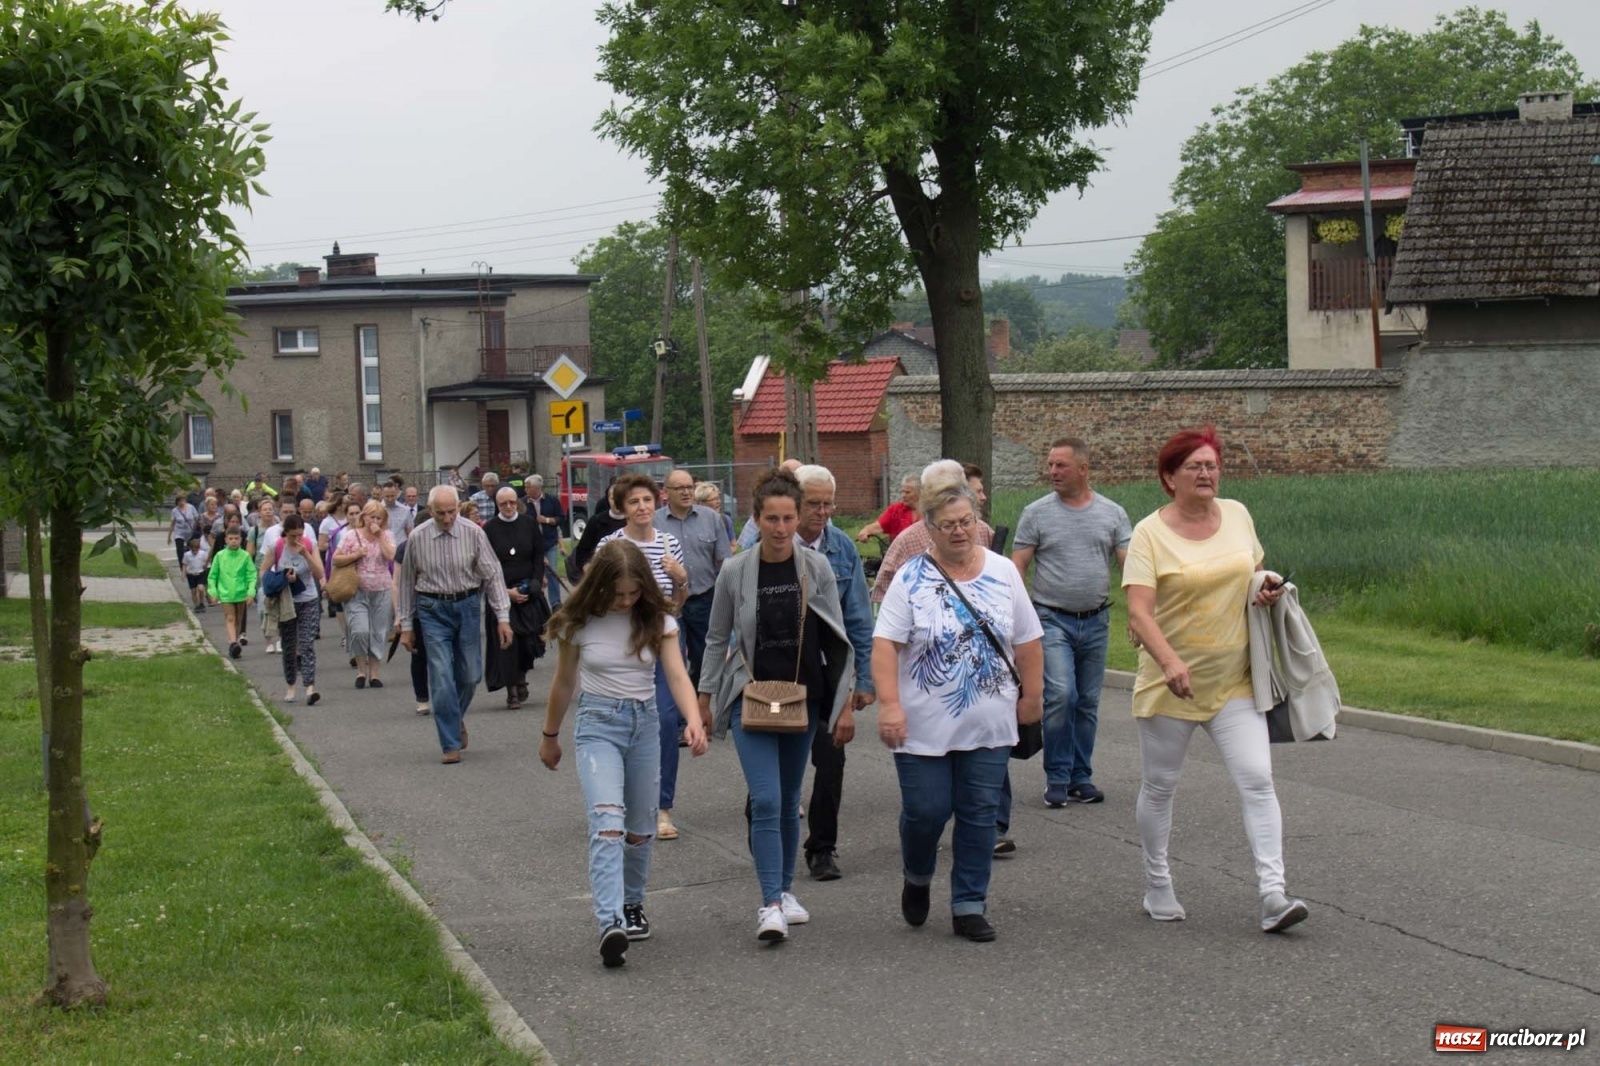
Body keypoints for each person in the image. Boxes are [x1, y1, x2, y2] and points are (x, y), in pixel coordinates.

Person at [1123, 425, 1308, 934]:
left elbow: (1254, 572)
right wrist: (1169, 662)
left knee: (1258, 780)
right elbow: (1138, 612)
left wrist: (1265, 586)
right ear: (1170, 478)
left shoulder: (1238, 514)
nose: (1206, 474)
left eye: (1212, 465)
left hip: (1235, 681)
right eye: (1195, 467)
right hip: (1171, 684)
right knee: (1160, 787)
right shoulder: (1148, 534)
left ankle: (1273, 895)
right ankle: (1157, 883)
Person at [873, 469, 1043, 942]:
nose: (959, 531)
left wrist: (1033, 697)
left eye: (966, 521)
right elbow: (885, 645)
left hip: (989, 720)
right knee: (927, 811)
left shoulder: (1003, 571)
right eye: (948, 524)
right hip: (922, 725)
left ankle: (969, 903)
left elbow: (1028, 639)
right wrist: (889, 705)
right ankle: (917, 874)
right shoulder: (911, 578)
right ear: (928, 526)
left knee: (979, 811)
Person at [697, 468, 855, 943]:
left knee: (787, 801)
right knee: (765, 799)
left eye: (789, 518)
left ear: (798, 517)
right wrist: (704, 699)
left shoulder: (817, 568)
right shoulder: (735, 570)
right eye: (772, 518)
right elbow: (716, 638)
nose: (781, 528)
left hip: (803, 697)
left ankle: (785, 892)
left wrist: (845, 702)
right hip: (751, 696)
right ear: (757, 519)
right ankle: (769, 903)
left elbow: (839, 638)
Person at [538, 540, 709, 968]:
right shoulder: (579, 622)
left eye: (634, 592)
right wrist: (550, 735)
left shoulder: (657, 620)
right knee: (608, 823)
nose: (626, 600)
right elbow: (563, 683)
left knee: (639, 829)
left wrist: (692, 719)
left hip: (645, 726)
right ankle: (610, 922)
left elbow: (677, 675)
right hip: (598, 726)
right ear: (600, 586)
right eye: (618, 594)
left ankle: (632, 904)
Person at [1011, 437, 1131, 809]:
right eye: (1050, 464)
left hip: (1096, 620)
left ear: (1083, 468)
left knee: (1088, 701)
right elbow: (1017, 566)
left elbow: (1130, 566)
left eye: (1060, 465)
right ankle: (1058, 776)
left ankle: (1081, 776)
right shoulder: (1036, 513)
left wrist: (1140, 612)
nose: (1053, 471)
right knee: (1062, 694)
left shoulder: (1112, 513)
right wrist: (1018, 617)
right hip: (1051, 620)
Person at [790, 464, 874, 882]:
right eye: (814, 504)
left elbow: (858, 615)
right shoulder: (766, 542)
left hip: (828, 674)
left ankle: (822, 848)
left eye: (829, 504)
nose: (822, 512)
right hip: (780, 675)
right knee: (777, 766)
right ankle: (770, 834)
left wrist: (865, 679)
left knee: (831, 760)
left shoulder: (841, 547)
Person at [599, 473, 691, 840]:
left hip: (662, 642)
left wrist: (681, 578)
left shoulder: (669, 543)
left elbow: (679, 603)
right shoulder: (610, 545)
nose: (642, 507)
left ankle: (662, 808)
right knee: (624, 724)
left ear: (657, 503)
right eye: (634, 502)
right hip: (622, 648)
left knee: (666, 721)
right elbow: (599, 597)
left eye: (647, 500)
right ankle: (623, 801)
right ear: (622, 508)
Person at [396, 486, 514, 764]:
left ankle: (454, 715)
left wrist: (503, 618)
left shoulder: (474, 533)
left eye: (452, 512)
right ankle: (450, 743)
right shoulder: (418, 537)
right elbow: (407, 582)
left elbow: (493, 575)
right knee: (440, 676)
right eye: (441, 513)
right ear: (430, 510)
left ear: (459, 507)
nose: (448, 518)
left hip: (467, 606)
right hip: (432, 609)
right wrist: (406, 625)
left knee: (470, 675)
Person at [871, 467, 994, 605]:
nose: (959, 531)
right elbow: (885, 595)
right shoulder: (907, 540)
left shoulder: (983, 530)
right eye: (947, 525)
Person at [484, 486, 549, 709]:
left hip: (528, 591)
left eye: (512, 502)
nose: (509, 506)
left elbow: (538, 556)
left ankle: (521, 678)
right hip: (501, 593)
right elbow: (486, 565)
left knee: (526, 643)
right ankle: (511, 690)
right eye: (503, 503)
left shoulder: (529, 524)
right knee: (507, 644)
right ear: (497, 505)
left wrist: (534, 584)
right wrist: (505, 592)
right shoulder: (489, 529)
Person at [334, 500, 396, 690]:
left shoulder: (387, 535)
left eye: (379, 518)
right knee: (360, 630)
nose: (374, 521)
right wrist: (355, 555)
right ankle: (361, 670)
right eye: (371, 517)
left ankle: (374, 674)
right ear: (364, 517)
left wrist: (380, 536)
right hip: (357, 591)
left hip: (382, 589)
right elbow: (336, 559)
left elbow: (391, 556)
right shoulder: (351, 535)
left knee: (378, 632)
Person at [266, 513, 326, 705]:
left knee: (307, 643)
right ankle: (290, 685)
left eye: (300, 534)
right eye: (293, 535)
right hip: (286, 602)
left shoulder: (308, 544)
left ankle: (310, 687)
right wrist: (283, 578)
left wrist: (306, 554)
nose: (297, 539)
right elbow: (263, 573)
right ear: (285, 533)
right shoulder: (277, 547)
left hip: (308, 599)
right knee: (289, 645)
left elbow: (319, 573)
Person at [208, 526, 256, 659]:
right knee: (230, 617)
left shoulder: (245, 556)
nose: (234, 541)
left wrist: (251, 592)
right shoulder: (220, 556)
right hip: (225, 593)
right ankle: (233, 642)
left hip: (241, 593)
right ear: (226, 540)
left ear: (241, 540)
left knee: (238, 620)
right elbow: (212, 576)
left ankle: (234, 644)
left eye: (236, 538)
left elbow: (251, 575)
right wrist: (213, 592)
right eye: (231, 539)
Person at [525, 474, 567, 610]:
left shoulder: (552, 500)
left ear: (537, 488)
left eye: (528, 487)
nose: (525, 489)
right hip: (531, 546)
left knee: (552, 572)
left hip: (549, 543)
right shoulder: (522, 503)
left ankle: (555, 603)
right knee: (535, 574)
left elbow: (561, 518)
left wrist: (547, 520)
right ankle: (537, 603)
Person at [855, 473, 921, 544]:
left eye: (907, 492)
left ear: (919, 493)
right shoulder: (895, 510)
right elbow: (878, 526)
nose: (903, 495)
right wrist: (866, 530)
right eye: (902, 492)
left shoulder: (928, 512)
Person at [695, 481, 736, 547]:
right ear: (701, 503)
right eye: (714, 499)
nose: (718, 502)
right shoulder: (692, 522)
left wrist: (722, 552)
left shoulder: (725, 520)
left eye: (718, 498)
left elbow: (733, 546)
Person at [181, 536, 210, 612]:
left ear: (199, 548)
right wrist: (183, 573)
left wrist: (206, 566)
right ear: (190, 548)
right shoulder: (187, 555)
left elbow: (206, 562)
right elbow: (184, 564)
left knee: (201, 588)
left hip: (200, 573)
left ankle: (201, 602)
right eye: (193, 550)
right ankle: (196, 605)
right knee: (193, 591)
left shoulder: (202, 554)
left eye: (196, 550)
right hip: (191, 575)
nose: (195, 552)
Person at [168, 491, 200, 560]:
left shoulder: (191, 507)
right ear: (177, 502)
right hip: (179, 532)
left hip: (190, 531)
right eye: (180, 501)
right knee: (180, 549)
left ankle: (189, 563)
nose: (181, 502)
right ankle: (181, 563)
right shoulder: (175, 511)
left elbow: (197, 518)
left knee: (190, 549)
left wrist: (195, 528)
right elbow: (172, 524)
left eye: (183, 500)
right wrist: (169, 536)